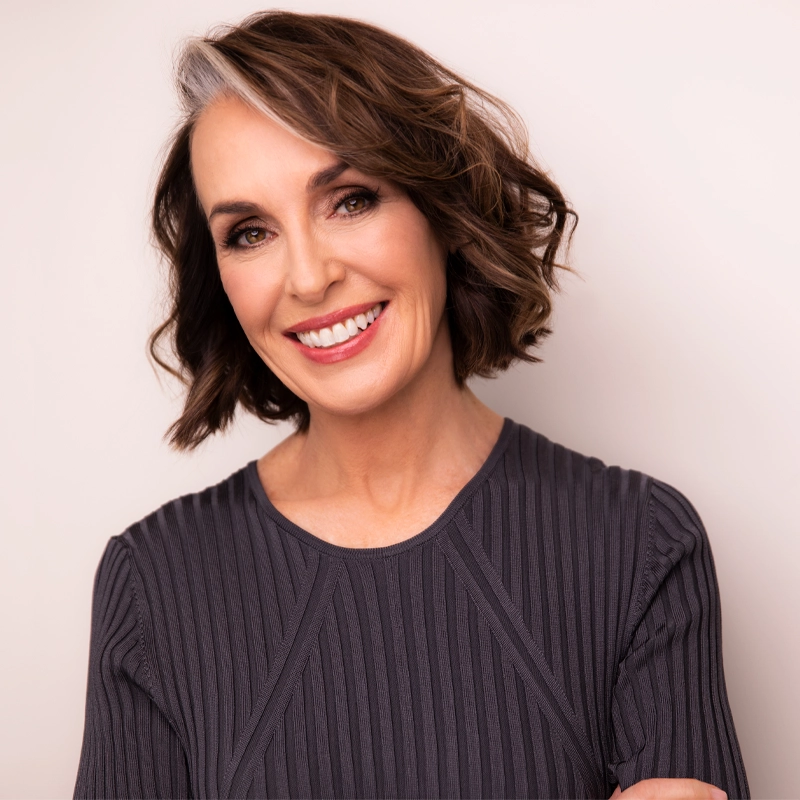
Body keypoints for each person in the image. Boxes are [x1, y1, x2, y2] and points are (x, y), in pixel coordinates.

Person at [73, 11, 748, 800]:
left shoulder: (641, 545)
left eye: (351, 199)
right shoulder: (152, 583)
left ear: (441, 212)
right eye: (250, 232)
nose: (308, 277)